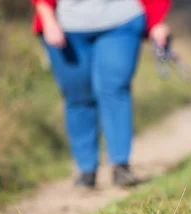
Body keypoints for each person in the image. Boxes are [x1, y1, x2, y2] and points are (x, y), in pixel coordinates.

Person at [31, 0, 172, 188]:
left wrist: (155, 21)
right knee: (77, 96)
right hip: (66, 25)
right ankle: (86, 169)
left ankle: (120, 165)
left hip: (122, 21)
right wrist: (47, 16)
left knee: (114, 88)